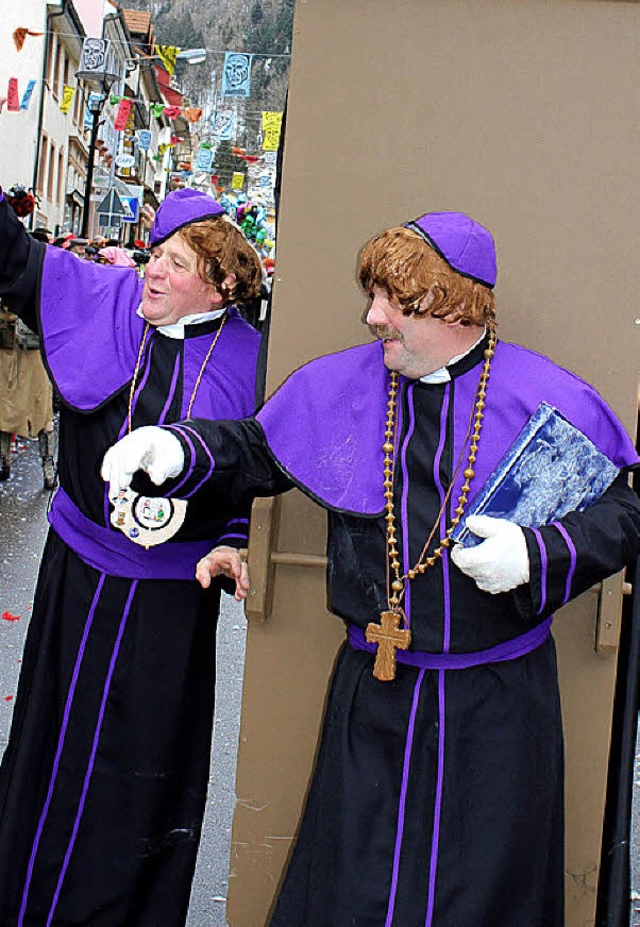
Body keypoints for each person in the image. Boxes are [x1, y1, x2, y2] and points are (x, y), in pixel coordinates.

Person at [101, 210, 640, 927]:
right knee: (353, 894)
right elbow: (259, 450)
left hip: (497, 714)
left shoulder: (546, 397)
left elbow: (622, 515)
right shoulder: (345, 384)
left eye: (395, 302)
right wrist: (178, 450)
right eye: (375, 296)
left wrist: (538, 554)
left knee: (480, 902)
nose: (372, 316)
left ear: (454, 305)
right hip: (374, 705)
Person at [0, 186, 263, 926]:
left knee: (140, 777)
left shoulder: (255, 358)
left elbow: (262, 467)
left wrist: (235, 540)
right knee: (50, 752)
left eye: (174, 264)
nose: (151, 272)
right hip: (75, 580)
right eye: (153, 254)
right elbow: (13, 258)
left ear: (223, 281)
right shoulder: (101, 296)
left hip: (167, 604)